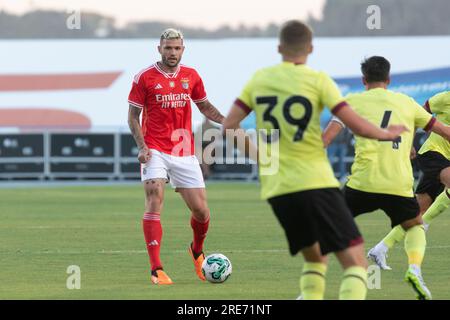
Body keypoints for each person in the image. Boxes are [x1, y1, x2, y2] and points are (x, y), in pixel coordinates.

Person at [223, 20, 407, 300]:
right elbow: (355, 124)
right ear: (310, 48)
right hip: (315, 183)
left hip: (278, 189)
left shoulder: (259, 80)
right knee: (356, 264)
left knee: (315, 260)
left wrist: (262, 158)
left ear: (279, 48)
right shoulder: (318, 80)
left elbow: (229, 126)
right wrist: (385, 133)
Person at [322, 57, 450, 300]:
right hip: (398, 185)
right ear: (388, 80)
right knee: (415, 226)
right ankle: (415, 269)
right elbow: (444, 131)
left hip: (361, 184)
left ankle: (310, 290)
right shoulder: (406, 102)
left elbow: (325, 140)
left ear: (363, 80)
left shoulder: (350, 103)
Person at [127, 28, 225, 285]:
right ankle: (156, 269)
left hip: (182, 149)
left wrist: (227, 120)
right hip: (154, 148)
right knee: (154, 198)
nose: (172, 52)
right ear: (159, 48)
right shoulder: (144, 77)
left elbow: (204, 105)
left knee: (202, 212)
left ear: (183, 49)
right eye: (168, 48)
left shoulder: (191, 76)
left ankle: (196, 250)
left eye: (177, 48)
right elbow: (132, 117)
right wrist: (142, 146)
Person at [367, 91, 450, 271]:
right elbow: (417, 116)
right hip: (432, 153)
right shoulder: (444, 98)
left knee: (415, 214)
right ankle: (426, 222)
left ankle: (380, 248)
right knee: (422, 218)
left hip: (447, 161)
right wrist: (409, 142)